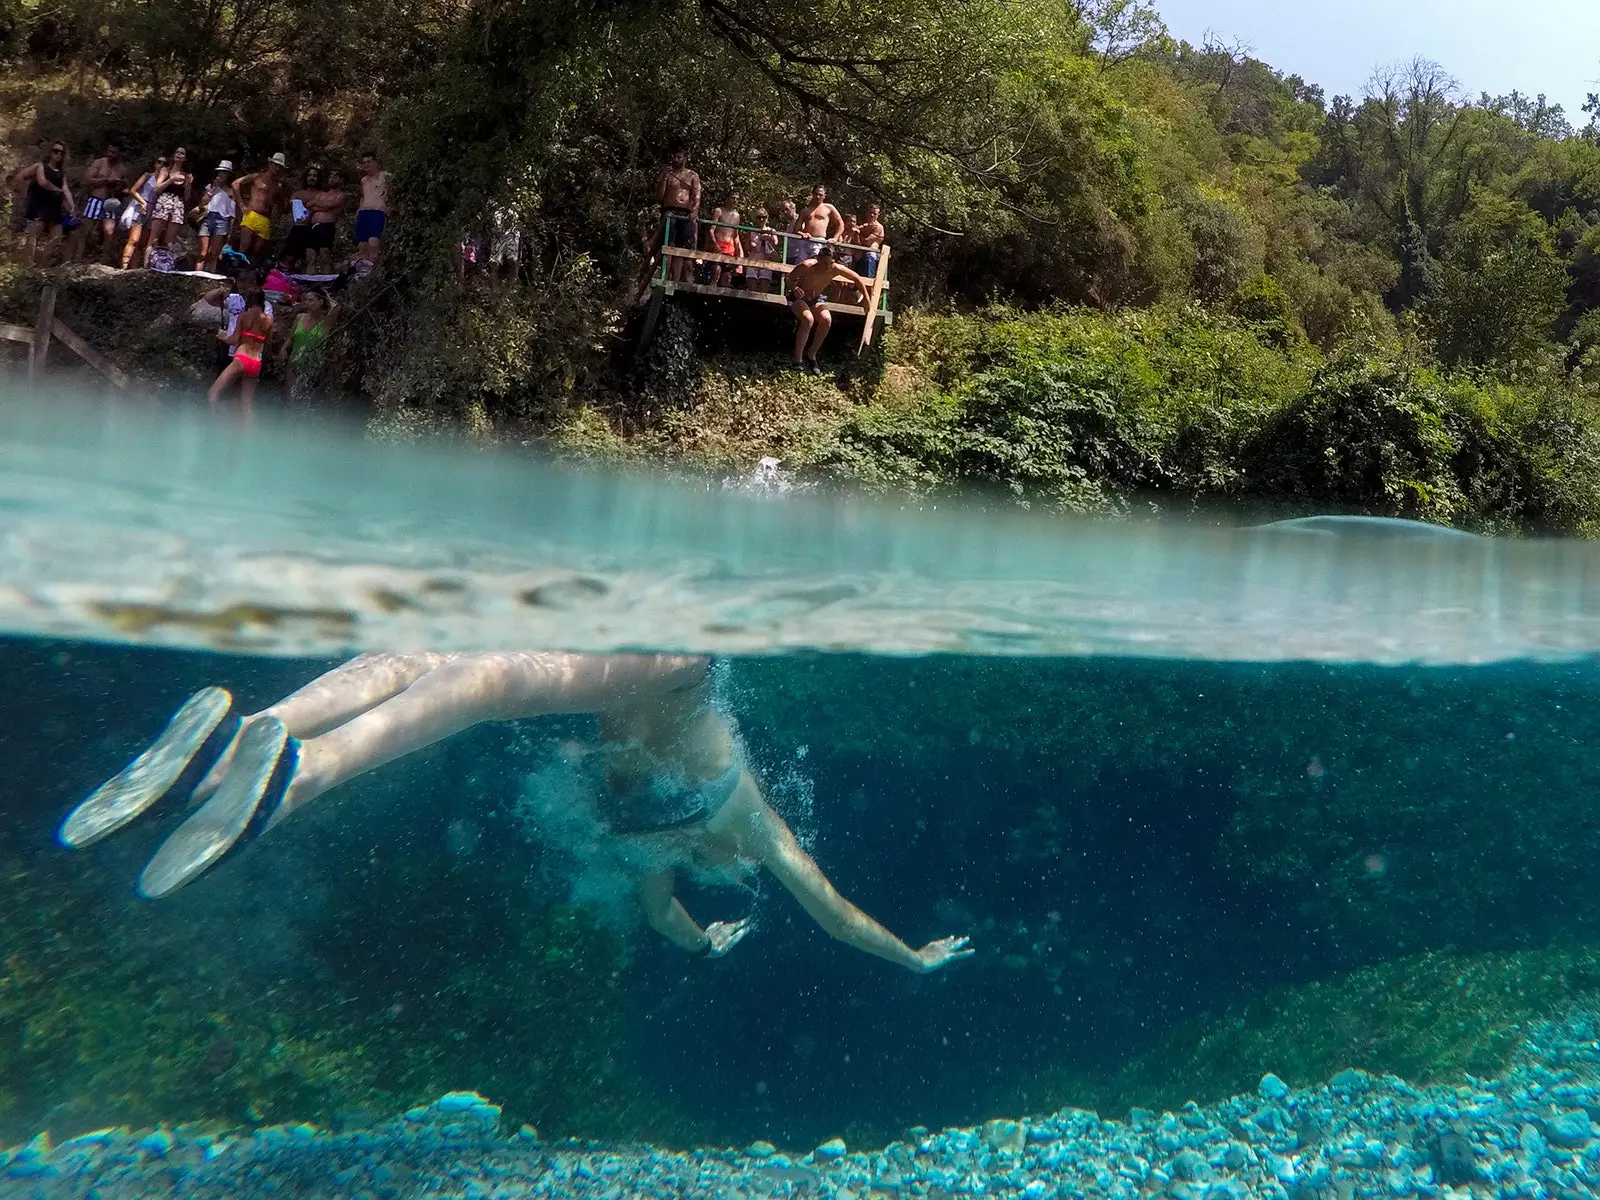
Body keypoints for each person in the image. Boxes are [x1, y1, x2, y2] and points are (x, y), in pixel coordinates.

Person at [59, 652, 975, 975]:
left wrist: (702, 942)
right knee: (477, 677)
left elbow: (807, 909)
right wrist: (913, 959)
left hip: (668, 663)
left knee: (441, 655)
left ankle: (251, 740)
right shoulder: (726, 838)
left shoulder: (702, 837)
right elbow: (832, 916)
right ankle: (281, 768)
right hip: (668, 665)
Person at [787, 244, 868, 374]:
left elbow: (857, 278)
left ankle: (812, 354)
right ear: (818, 258)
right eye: (822, 262)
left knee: (826, 319)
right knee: (808, 319)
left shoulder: (835, 269)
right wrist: (795, 288)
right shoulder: (807, 265)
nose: (825, 266)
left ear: (833, 261)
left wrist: (866, 300)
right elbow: (789, 279)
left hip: (816, 299)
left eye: (828, 263)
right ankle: (798, 358)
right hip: (798, 298)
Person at [205, 286, 272, 410]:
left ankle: (211, 425)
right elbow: (268, 342)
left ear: (250, 300)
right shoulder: (268, 320)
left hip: (241, 359)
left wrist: (222, 336)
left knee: (213, 393)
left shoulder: (244, 316)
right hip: (256, 362)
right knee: (247, 405)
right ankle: (250, 429)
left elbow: (234, 340)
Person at [201, 269, 275, 373]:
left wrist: (226, 337)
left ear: (257, 284)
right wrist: (224, 290)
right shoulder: (234, 300)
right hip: (231, 350)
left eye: (250, 282)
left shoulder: (265, 306)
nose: (245, 285)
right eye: (242, 281)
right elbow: (209, 299)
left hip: (250, 352)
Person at [69, 140, 126, 263]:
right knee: (85, 230)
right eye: (109, 151)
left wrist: (120, 187)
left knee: (109, 233)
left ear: (119, 154)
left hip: (110, 201)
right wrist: (106, 180)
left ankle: (103, 262)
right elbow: (88, 179)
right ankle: (76, 260)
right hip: (96, 199)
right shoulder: (99, 163)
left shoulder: (121, 169)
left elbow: (125, 187)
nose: (111, 154)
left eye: (114, 152)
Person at [22, 141, 74, 265]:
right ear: (50, 152)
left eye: (61, 152)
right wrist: (56, 189)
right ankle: (26, 264)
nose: (58, 154)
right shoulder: (41, 166)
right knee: (34, 234)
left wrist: (72, 207)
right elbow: (42, 181)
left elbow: (65, 189)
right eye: (56, 151)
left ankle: (42, 266)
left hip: (54, 206)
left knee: (57, 237)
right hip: (39, 204)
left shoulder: (61, 172)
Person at [655, 147, 700, 283]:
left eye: (679, 157)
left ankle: (675, 280)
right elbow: (659, 196)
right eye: (675, 157)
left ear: (685, 158)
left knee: (681, 248)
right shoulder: (668, 174)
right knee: (669, 245)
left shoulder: (693, 175)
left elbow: (697, 194)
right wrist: (663, 177)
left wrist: (695, 210)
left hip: (685, 213)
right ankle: (664, 277)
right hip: (670, 211)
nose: (676, 159)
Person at [233, 153, 289, 261]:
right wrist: (241, 205)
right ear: (270, 164)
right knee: (244, 245)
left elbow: (281, 205)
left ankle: (250, 273)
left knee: (257, 251)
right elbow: (235, 184)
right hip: (251, 214)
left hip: (265, 219)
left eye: (280, 166)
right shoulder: (257, 176)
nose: (277, 168)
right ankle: (235, 271)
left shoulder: (279, 185)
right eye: (275, 165)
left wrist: (275, 219)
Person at [279, 288, 334, 394]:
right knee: (290, 395)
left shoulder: (326, 322)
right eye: (307, 300)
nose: (308, 303)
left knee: (306, 398)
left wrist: (326, 295)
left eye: (311, 300)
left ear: (321, 302)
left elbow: (335, 308)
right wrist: (283, 349)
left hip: (312, 366)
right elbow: (291, 338)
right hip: (294, 363)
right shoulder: (299, 317)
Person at [148, 147, 193, 262]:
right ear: (173, 155)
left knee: (170, 241)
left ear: (185, 158)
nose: (179, 154)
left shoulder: (186, 175)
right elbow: (157, 188)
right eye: (177, 152)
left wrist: (188, 184)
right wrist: (170, 180)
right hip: (164, 201)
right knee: (154, 237)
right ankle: (146, 265)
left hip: (178, 204)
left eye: (182, 153)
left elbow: (187, 197)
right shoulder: (165, 170)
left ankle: (166, 265)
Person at [119, 154, 163, 269]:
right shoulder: (148, 176)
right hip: (141, 207)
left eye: (165, 163)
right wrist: (142, 202)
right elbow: (133, 190)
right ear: (155, 164)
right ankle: (124, 267)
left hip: (154, 210)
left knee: (143, 243)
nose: (161, 165)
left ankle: (134, 268)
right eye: (159, 162)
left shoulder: (164, 181)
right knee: (134, 239)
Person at [196, 162, 237, 271]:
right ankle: (197, 275)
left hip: (222, 221)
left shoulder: (231, 192)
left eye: (224, 172)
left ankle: (210, 276)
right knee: (203, 253)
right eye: (220, 172)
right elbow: (202, 203)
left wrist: (231, 230)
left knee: (214, 253)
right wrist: (213, 188)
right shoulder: (210, 187)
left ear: (228, 175)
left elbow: (232, 213)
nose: (221, 175)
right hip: (208, 218)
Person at [307, 168, 347, 273]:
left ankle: (328, 277)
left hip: (327, 226)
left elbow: (331, 205)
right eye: (330, 177)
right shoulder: (321, 194)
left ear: (341, 180)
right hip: (313, 224)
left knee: (325, 252)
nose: (332, 179)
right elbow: (310, 207)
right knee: (310, 252)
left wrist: (317, 204)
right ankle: (309, 277)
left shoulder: (341, 195)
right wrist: (325, 207)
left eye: (335, 177)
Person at [283, 166, 322, 269]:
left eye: (315, 176)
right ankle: (289, 261)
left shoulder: (321, 195)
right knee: (297, 231)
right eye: (309, 175)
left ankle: (296, 262)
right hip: (299, 227)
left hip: (315, 226)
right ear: (306, 177)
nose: (312, 178)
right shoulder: (298, 194)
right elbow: (287, 210)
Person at [794, 184, 842, 262]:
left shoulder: (829, 208)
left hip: (819, 240)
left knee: (815, 264)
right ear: (812, 194)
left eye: (820, 195)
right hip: (805, 240)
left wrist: (835, 238)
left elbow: (840, 223)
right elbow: (796, 229)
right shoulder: (805, 211)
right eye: (816, 194)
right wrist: (802, 234)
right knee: (801, 264)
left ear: (824, 196)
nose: (818, 196)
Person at [353, 150, 387, 259]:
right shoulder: (363, 180)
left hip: (377, 211)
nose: (366, 164)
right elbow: (363, 196)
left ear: (375, 162)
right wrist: (359, 210)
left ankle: (374, 271)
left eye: (369, 161)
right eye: (364, 162)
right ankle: (364, 272)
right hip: (364, 213)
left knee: (373, 243)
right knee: (362, 245)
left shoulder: (384, 176)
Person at [705, 191, 742, 288]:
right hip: (719, 243)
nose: (735, 201)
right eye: (733, 198)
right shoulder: (719, 211)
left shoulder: (737, 216)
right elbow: (711, 230)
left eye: (737, 199)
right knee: (716, 269)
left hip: (730, 247)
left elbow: (736, 235)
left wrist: (739, 252)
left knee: (727, 274)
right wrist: (715, 245)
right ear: (727, 198)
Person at [744, 207, 780, 294]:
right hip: (753, 261)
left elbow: (776, 243)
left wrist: (766, 237)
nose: (761, 219)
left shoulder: (771, 230)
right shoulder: (751, 231)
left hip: (766, 262)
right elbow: (746, 248)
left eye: (764, 217)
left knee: (764, 288)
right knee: (752, 287)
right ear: (755, 218)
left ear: (767, 218)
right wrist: (751, 245)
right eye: (759, 217)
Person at [855, 203, 885, 279]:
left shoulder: (878, 227)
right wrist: (865, 228)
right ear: (866, 213)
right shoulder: (865, 225)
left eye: (874, 213)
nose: (872, 215)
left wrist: (859, 232)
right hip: (858, 254)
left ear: (878, 215)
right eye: (870, 213)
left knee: (868, 280)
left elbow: (866, 242)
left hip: (869, 255)